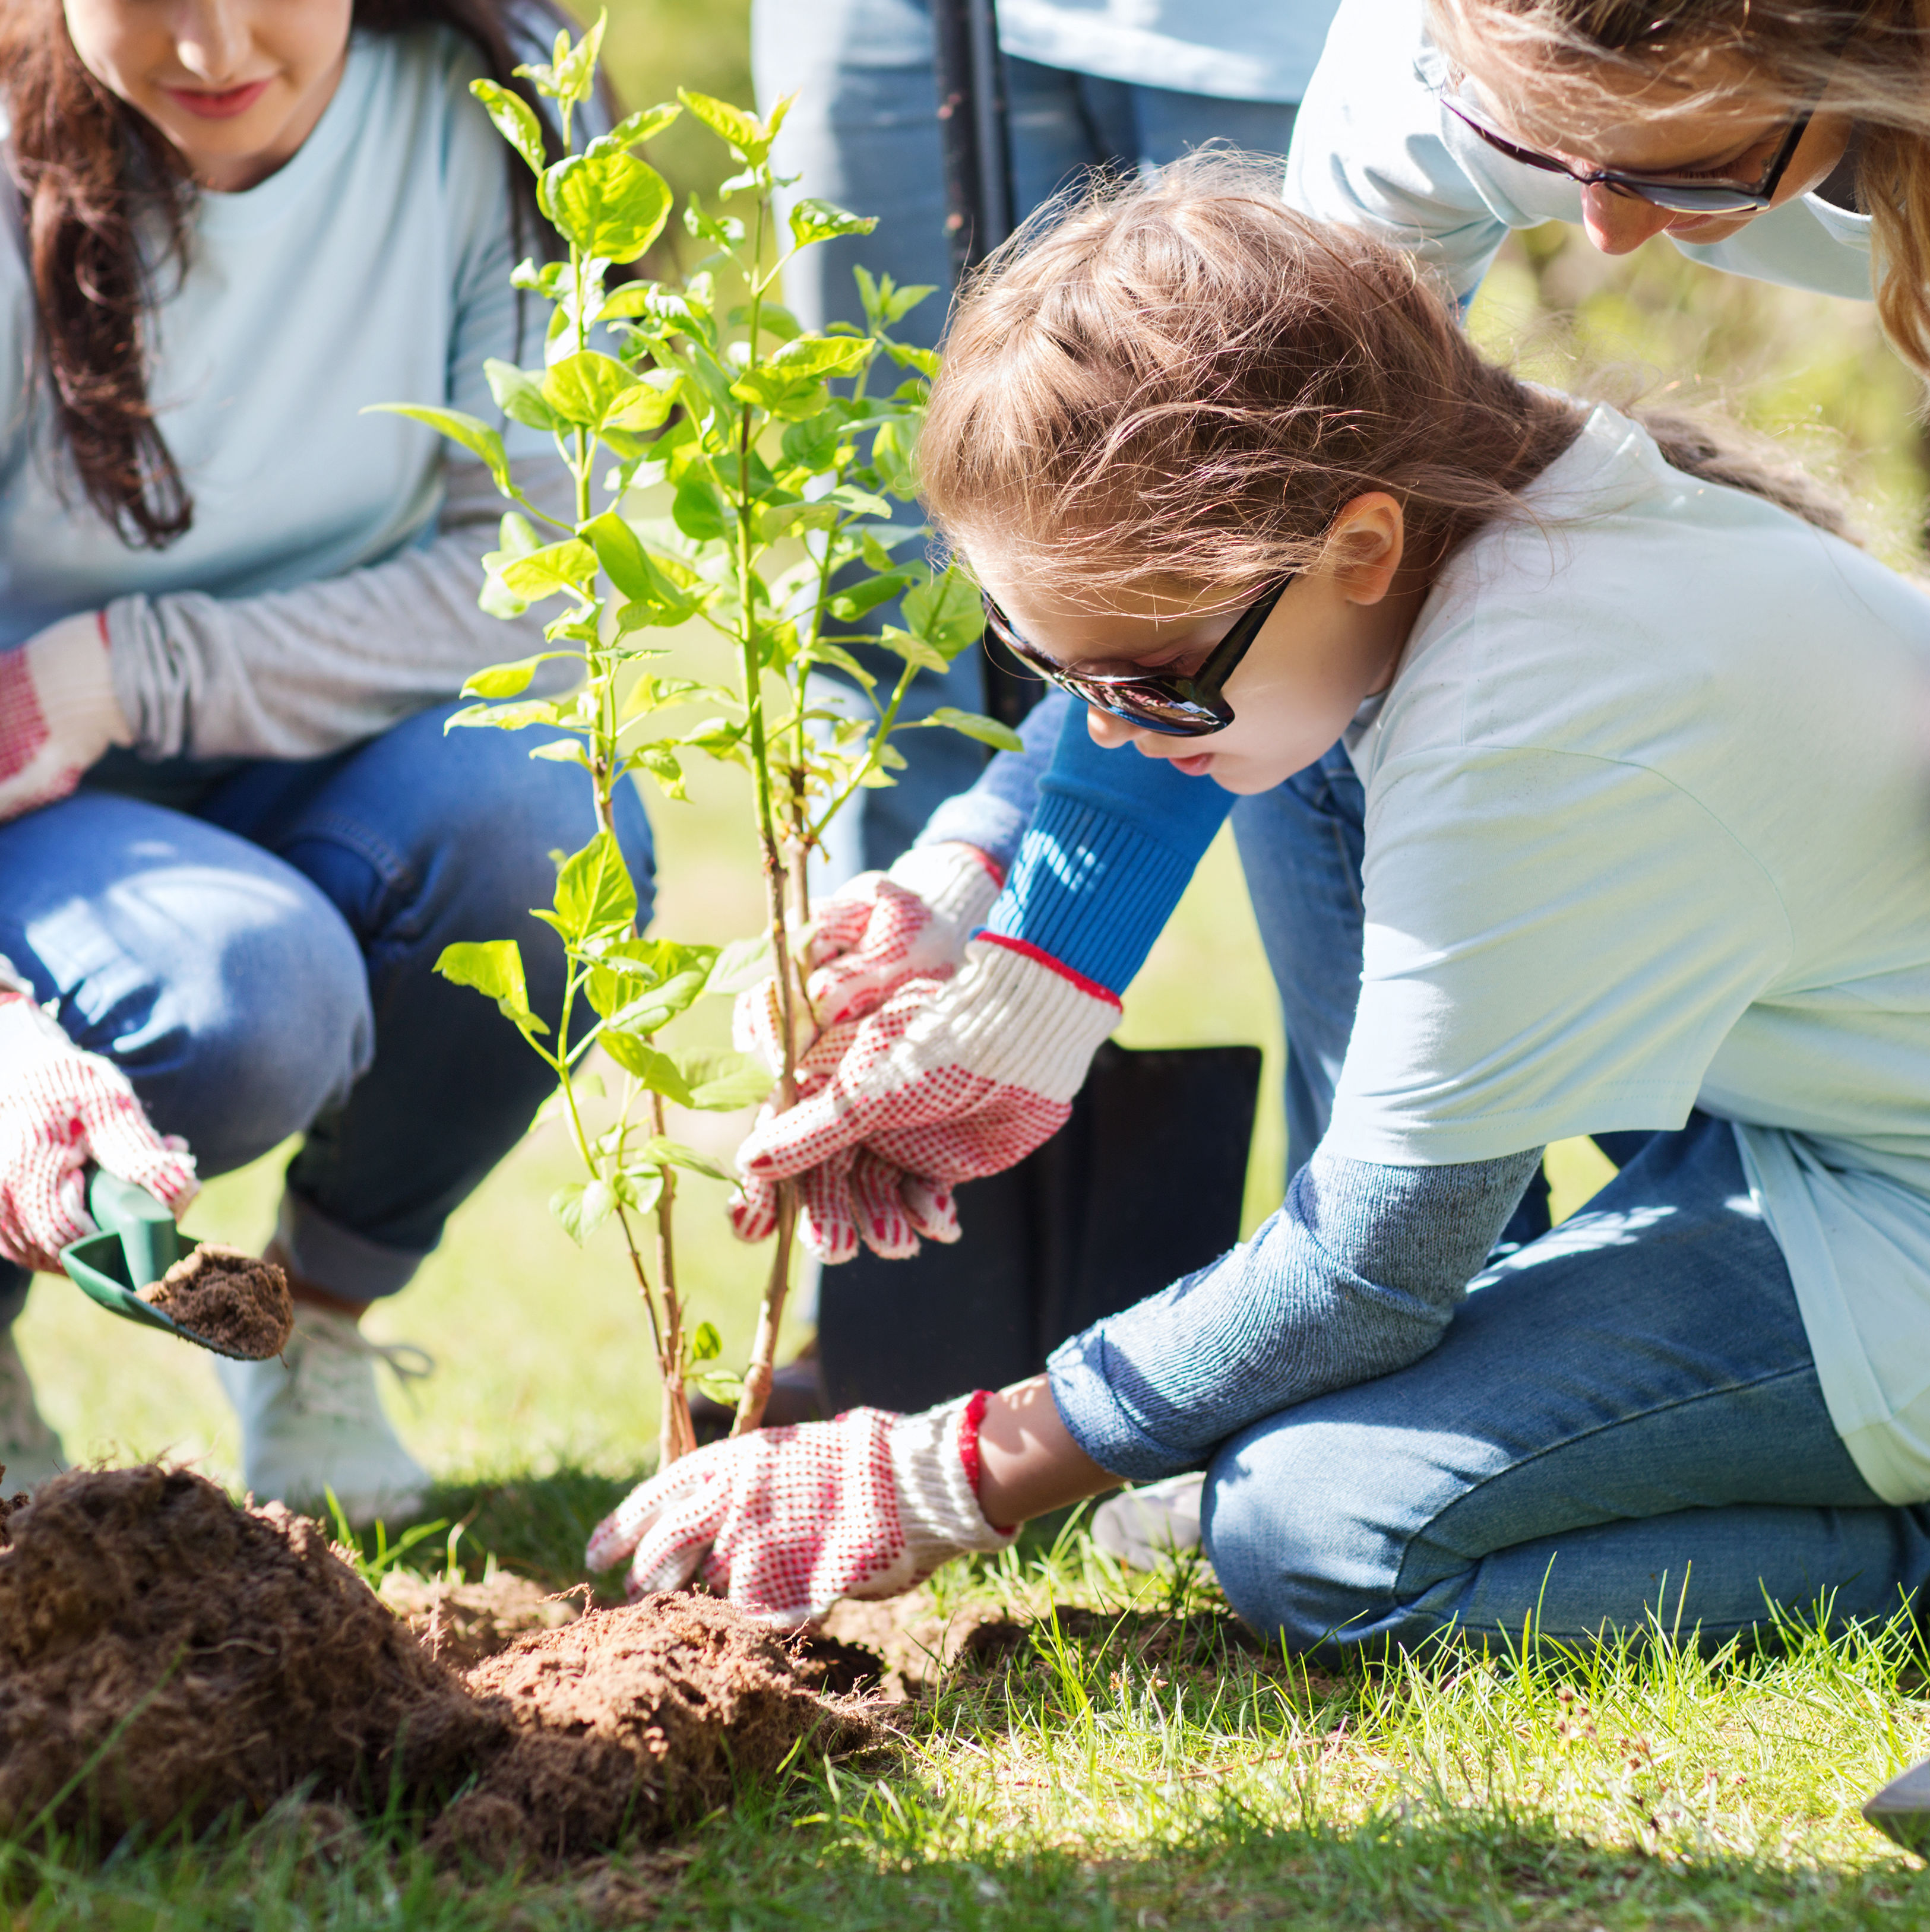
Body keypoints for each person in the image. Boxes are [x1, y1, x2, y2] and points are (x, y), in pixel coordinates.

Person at [589, 165, 1930, 1661]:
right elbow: (1195, 691)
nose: (1107, 735)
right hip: (1809, 1136)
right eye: (1054, 672)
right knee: (1275, 756)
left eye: (1148, 680)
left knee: (1318, 1530)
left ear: (1355, 545)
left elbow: (1371, 1266)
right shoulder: (1460, 545)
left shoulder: (1528, 717)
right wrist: (968, 886)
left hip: (1894, 1214)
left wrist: (949, 1471)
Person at [0, 0, 651, 1518]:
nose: (217, 45)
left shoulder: (508, 115)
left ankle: (316, 1327)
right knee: (247, 1000)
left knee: (551, 833)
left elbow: (536, 579)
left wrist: (135, 668)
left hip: (306, 742)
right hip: (26, 797)